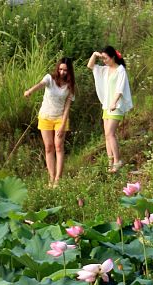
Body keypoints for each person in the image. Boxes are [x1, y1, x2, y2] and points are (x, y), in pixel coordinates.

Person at [24, 58, 75, 187]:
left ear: (69, 71)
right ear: (57, 68)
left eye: (65, 70)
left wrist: (63, 124)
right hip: (45, 116)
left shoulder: (70, 86)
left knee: (59, 146)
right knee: (48, 147)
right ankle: (51, 178)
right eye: (60, 69)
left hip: (60, 118)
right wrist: (30, 91)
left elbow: (67, 107)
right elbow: (40, 84)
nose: (62, 72)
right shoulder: (50, 79)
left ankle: (58, 179)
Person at [87, 46, 132, 172]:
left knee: (110, 133)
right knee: (107, 135)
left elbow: (120, 89)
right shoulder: (105, 70)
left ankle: (118, 160)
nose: (104, 61)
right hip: (107, 106)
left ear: (113, 57)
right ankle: (110, 162)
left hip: (116, 106)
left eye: (106, 58)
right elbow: (90, 66)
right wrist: (95, 55)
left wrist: (114, 102)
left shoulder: (120, 70)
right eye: (103, 58)